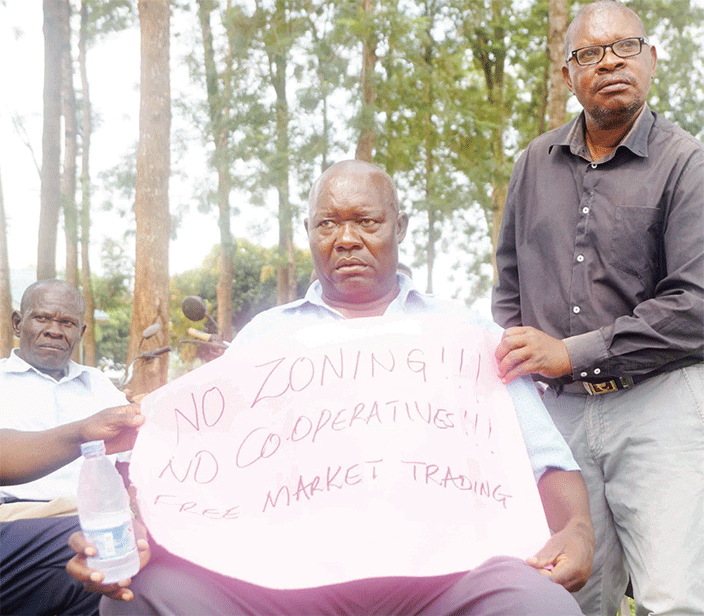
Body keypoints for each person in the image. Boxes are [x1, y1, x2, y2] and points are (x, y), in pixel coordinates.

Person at [68, 160, 593, 616]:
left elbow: (544, 457)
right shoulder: (263, 340)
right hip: (286, 579)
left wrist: (576, 528)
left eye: (367, 221)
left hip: (446, 576)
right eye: (328, 224)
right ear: (309, 231)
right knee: (149, 596)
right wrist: (141, 529)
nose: (346, 239)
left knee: (539, 606)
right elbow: (202, 471)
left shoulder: (465, 334)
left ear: (400, 226)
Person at [492, 2, 704, 615]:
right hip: (557, 417)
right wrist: (531, 380)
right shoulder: (533, 164)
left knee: (675, 598)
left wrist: (571, 353)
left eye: (625, 47)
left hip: (660, 408)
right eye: (589, 53)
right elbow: (509, 288)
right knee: (565, 595)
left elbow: (696, 306)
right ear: (568, 74)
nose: (609, 62)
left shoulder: (688, 163)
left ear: (652, 59)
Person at [0, 279, 144, 616]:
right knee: (108, 548)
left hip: (94, 518)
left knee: (126, 572)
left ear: (81, 331)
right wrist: (81, 434)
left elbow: (132, 465)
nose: (54, 330)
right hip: (13, 519)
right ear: (18, 323)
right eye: (42, 318)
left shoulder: (99, 385)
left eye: (66, 322)